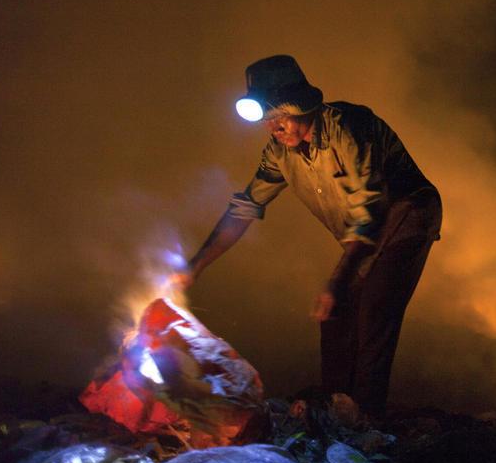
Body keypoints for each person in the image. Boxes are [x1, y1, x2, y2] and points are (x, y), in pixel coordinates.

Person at [175, 55, 441, 418]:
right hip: (363, 234)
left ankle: (366, 417)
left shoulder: (348, 128)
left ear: (300, 107)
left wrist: (338, 279)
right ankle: (334, 407)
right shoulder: (279, 153)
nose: (274, 127)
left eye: (279, 116)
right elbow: (246, 208)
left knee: (375, 306)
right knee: (334, 315)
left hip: (406, 213)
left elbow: (370, 210)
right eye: (268, 120)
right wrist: (195, 266)